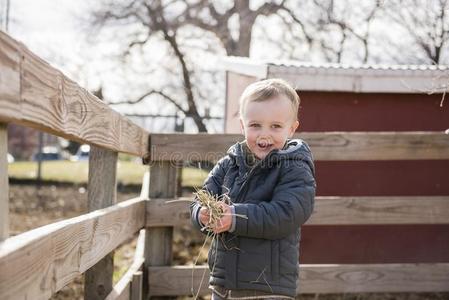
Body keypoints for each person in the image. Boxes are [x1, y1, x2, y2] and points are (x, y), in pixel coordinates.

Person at [190, 78, 316, 299]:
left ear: (292, 129)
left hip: (267, 286)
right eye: (255, 125)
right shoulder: (230, 163)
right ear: (242, 125)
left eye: (275, 126)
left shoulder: (294, 167)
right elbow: (202, 198)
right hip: (222, 283)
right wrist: (201, 214)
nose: (264, 134)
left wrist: (234, 217)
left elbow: (286, 213)